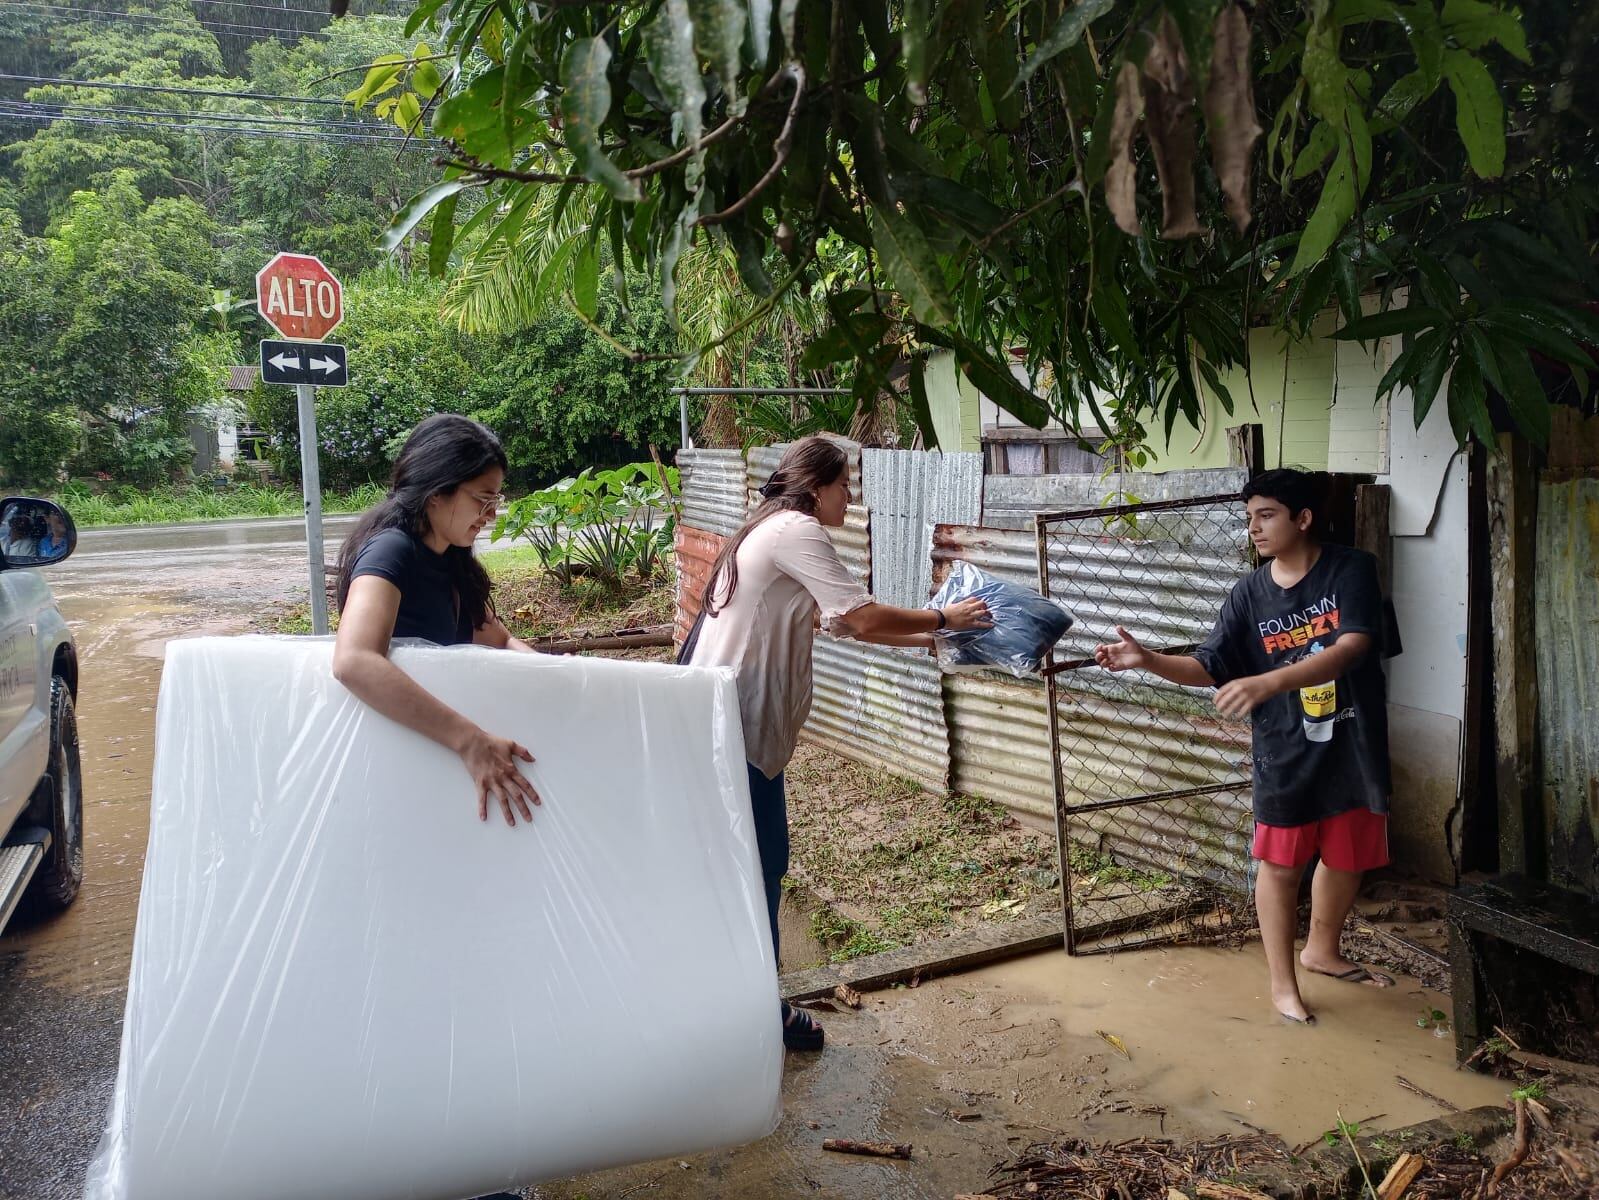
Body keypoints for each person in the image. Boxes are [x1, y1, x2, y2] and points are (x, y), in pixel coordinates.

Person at [687, 435, 993, 1052]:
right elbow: (857, 616)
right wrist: (942, 619)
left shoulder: (770, 529)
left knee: (756, 869)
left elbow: (843, 624)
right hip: (734, 734)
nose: (850, 498)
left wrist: (931, 642)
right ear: (818, 486)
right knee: (760, 869)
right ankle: (755, 1018)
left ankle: (743, 1007)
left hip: (731, 730)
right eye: (845, 485)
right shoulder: (796, 529)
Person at [1094, 468, 1394, 1026]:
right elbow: (1210, 665)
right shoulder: (1248, 594)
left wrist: (1270, 680)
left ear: (1302, 519)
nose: (1253, 527)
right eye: (1249, 516)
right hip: (1283, 752)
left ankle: (1321, 951)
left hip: (1352, 741)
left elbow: (1355, 643)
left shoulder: (1351, 569)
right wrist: (1150, 660)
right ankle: (1283, 984)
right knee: (1281, 867)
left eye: (1266, 515)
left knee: (1347, 856)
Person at [332, 414, 541, 831]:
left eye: (496, 500)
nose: (492, 515)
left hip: (434, 774)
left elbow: (499, 641)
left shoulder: (451, 559)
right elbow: (353, 660)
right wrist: (471, 742)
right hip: (401, 773)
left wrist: (562, 676)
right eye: (483, 499)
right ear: (437, 492)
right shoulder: (391, 551)